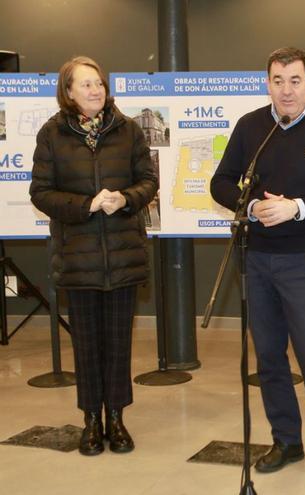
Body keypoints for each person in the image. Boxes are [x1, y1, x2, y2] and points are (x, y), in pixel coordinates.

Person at [210, 47, 305, 480]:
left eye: (295, 80)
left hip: (304, 262)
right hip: (256, 260)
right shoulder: (251, 127)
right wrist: (253, 205)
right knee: (270, 357)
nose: (286, 89)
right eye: (278, 80)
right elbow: (220, 183)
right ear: (268, 83)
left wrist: (297, 207)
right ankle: (286, 441)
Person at [30, 56, 158, 456]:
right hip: (78, 258)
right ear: (68, 92)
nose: (95, 90)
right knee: (86, 346)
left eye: (99, 83)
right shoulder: (52, 134)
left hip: (123, 256)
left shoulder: (129, 129)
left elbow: (148, 181)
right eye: (85, 85)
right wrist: (86, 205)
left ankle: (117, 420)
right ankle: (90, 421)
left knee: (119, 344)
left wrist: (125, 199)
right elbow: (41, 192)